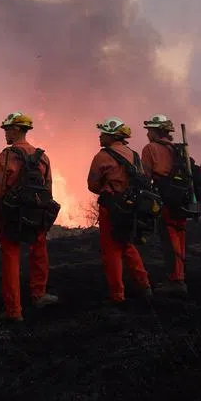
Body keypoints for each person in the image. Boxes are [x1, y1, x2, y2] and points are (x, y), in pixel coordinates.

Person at [0, 112, 58, 322]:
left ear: (16, 130)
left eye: (7, 129)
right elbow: (49, 188)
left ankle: (13, 311)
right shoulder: (42, 156)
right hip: (36, 214)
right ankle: (39, 294)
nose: (5, 133)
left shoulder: (5, 157)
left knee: (11, 258)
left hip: (10, 215)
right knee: (39, 253)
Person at [88, 118, 153, 305]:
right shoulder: (134, 155)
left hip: (111, 208)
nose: (100, 136)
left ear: (112, 135)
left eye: (103, 133)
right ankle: (144, 285)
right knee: (127, 244)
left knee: (112, 250)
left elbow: (92, 184)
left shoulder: (102, 156)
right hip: (132, 206)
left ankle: (117, 295)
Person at [140, 114, 189, 295]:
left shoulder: (150, 148)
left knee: (170, 239)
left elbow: (145, 177)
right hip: (182, 199)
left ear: (155, 131)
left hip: (165, 199)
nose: (147, 134)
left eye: (149, 131)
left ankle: (176, 281)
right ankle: (179, 275)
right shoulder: (178, 149)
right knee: (180, 236)